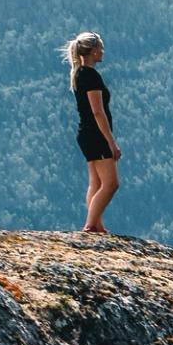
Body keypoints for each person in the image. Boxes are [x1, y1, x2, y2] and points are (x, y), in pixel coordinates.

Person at [66, 32, 119, 235]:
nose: (103, 51)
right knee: (111, 184)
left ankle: (96, 224)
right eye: (101, 47)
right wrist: (111, 142)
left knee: (96, 182)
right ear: (94, 50)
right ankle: (90, 225)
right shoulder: (91, 76)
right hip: (97, 135)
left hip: (86, 134)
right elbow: (98, 112)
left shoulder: (79, 74)